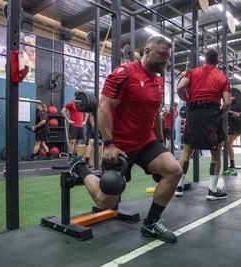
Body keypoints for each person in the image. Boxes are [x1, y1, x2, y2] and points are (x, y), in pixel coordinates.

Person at [67, 36, 182, 243]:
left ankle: (151, 223)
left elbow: (155, 112)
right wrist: (108, 144)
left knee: (174, 170)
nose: (166, 61)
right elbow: (104, 106)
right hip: (120, 146)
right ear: (147, 52)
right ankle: (80, 167)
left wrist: (161, 142)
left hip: (146, 141)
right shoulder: (124, 74)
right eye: (162, 55)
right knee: (105, 203)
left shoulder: (158, 81)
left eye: (168, 56)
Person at [175, 49, 231, 200]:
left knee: (187, 151)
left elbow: (180, 87)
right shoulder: (223, 77)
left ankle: (178, 187)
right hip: (212, 113)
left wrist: (188, 100)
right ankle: (212, 191)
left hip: (193, 113)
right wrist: (219, 114)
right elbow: (226, 103)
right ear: (218, 61)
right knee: (216, 154)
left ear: (204, 60)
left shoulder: (193, 72)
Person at [224, 104, 241, 175]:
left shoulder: (240, 100)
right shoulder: (227, 99)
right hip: (232, 125)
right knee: (228, 144)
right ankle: (232, 164)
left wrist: (239, 114)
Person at [61, 92, 88, 162]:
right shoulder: (71, 103)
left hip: (80, 126)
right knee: (72, 141)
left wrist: (84, 121)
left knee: (78, 142)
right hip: (74, 125)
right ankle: (70, 158)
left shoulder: (82, 104)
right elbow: (62, 111)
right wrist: (68, 120)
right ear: (75, 96)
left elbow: (86, 113)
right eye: (78, 96)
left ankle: (76, 157)